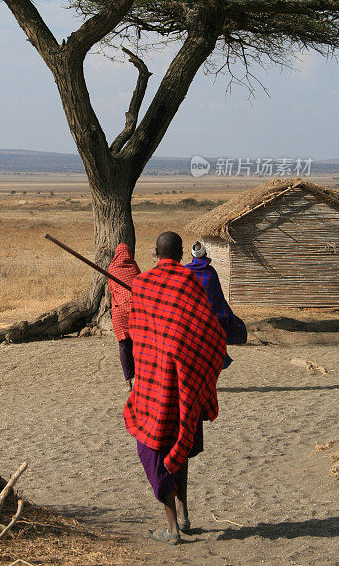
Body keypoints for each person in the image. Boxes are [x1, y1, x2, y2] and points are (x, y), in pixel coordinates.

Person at [123, 231, 226, 546]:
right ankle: (183, 515)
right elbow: (210, 333)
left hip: (154, 386)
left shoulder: (141, 285)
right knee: (180, 449)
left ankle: (172, 529)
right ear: (181, 253)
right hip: (186, 384)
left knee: (153, 447)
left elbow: (134, 332)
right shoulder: (189, 281)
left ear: (155, 253)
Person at [186, 240, 247, 368]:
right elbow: (217, 296)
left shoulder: (186, 272)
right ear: (205, 254)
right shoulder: (210, 272)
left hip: (191, 320)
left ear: (192, 256)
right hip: (211, 319)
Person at [108, 243, 140, 388]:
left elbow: (111, 289)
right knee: (138, 344)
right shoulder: (134, 267)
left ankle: (128, 379)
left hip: (119, 312)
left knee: (124, 345)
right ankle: (139, 376)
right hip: (135, 312)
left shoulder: (112, 269)